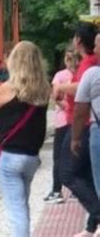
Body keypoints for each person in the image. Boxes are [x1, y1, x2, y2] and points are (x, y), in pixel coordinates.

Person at [0, 41, 50, 237]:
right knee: (22, 206)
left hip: (10, 156)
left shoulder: (8, 88)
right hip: (31, 157)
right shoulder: (43, 89)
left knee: (16, 210)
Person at [54, 22, 99, 237]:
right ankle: (92, 226)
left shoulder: (90, 64)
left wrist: (60, 87)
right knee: (87, 174)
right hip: (82, 123)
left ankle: (98, 214)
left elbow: (81, 90)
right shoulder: (87, 63)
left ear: (78, 40)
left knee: (67, 173)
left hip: (82, 124)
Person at [72, 32, 100, 237]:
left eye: (98, 46)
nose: (96, 49)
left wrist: (75, 138)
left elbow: (80, 110)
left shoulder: (92, 74)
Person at [44, 47, 77, 204]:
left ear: (65, 58)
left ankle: (57, 190)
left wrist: (64, 106)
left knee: (58, 157)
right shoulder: (80, 74)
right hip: (77, 121)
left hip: (62, 121)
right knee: (75, 155)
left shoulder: (59, 76)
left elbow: (55, 96)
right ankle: (76, 191)